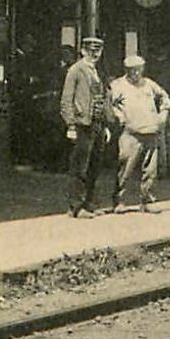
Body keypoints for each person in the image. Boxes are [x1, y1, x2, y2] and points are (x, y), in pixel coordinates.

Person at [109, 55, 170, 214]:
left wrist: (162, 115)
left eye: (139, 70)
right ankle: (119, 200)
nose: (136, 73)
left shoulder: (149, 84)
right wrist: (120, 118)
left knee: (150, 170)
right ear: (126, 70)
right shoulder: (118, 85)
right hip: (131, 133)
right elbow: (111, 106)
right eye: (132, 70)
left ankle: (147, 200)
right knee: (126, 168)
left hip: (151, 131)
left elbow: (165, 99)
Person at [61, 35, 111, 218]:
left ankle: (90, 203)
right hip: (82, 124)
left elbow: (103, 98)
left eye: (97, 51)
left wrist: (105, 124)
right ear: (83, 51)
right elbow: (66, 99)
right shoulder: (75, 70)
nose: (94, 54)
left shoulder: (99, 71)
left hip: (97, 123)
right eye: (90, 50)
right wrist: (71, 124)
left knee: (94, 165)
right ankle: (76, 206)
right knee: (79, 167)